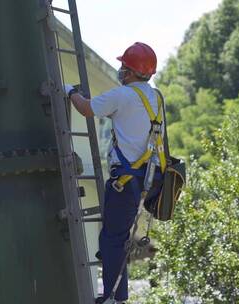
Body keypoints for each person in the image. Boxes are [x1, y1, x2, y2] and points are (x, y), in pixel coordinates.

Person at [65, 42, 164, 304]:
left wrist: (69, 92)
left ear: (130, 72)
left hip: (126, 180)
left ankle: (112, 298)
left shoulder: (123, 96)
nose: (120, 71)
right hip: (151, 179)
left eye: (123, 67)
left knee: (112, 238)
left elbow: (86, 108)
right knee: (117, 237)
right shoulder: (157, 97)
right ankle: (115, 293)